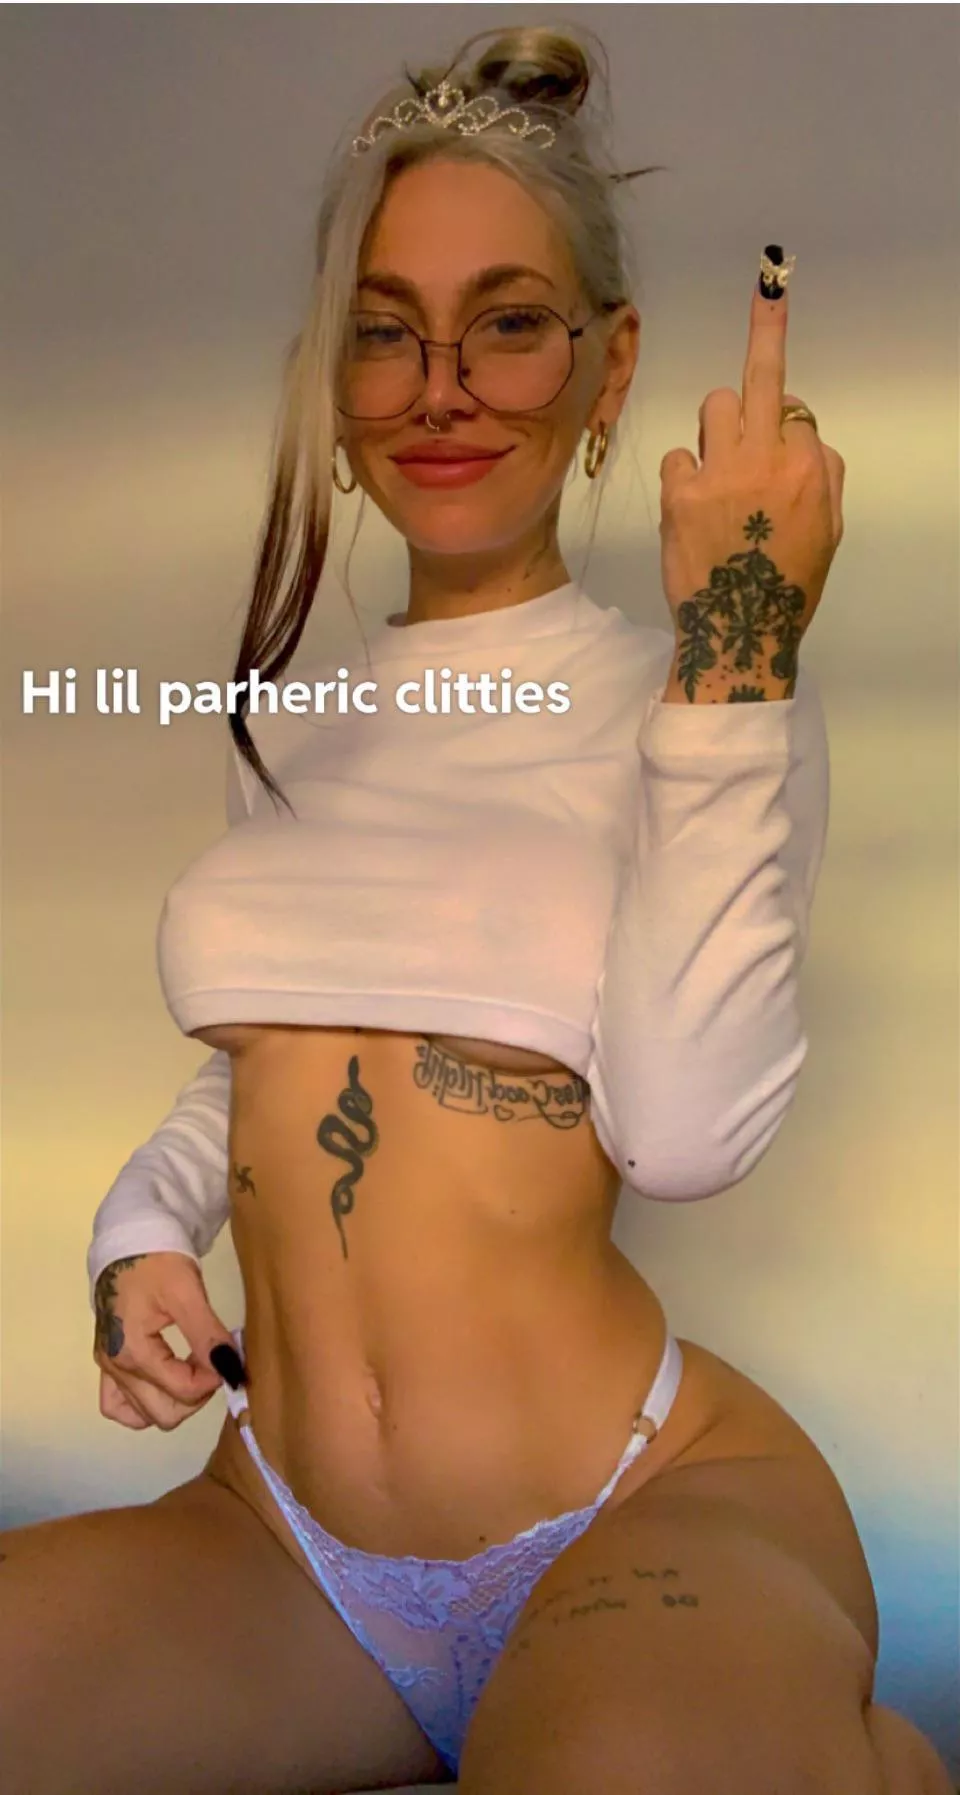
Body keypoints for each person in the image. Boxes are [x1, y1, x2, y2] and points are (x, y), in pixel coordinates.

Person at [2, 23, 952, 1795]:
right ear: (336, 375)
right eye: (387, 331)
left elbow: (680, 1135)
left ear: (610, 369)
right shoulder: (289, 721)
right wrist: (142, 1230)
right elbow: (275, 1055)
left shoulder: (695, 698)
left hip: (636, 1500)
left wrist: (738, 644)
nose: (443, 388)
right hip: (285, 1544)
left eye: (509, 324)